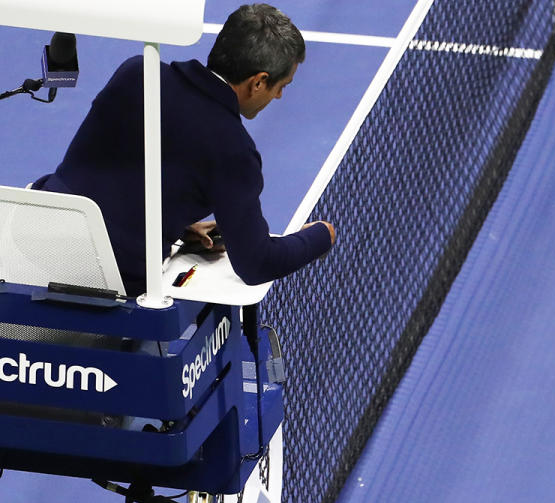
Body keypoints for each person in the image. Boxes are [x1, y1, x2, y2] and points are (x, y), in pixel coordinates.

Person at [31, 3, 335, 295]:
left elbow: (118, 171)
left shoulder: (136, 73)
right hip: (106, 279)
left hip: (32, 241)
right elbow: (257, 263)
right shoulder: (233, 148)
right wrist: (321, 235)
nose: (280, 97)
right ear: (258, 82)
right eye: (282, 86)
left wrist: (171, 222)